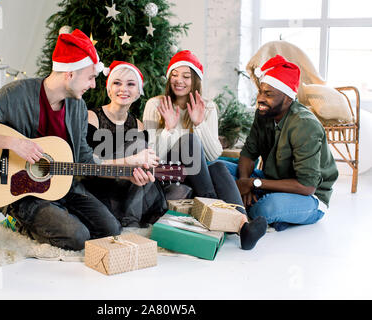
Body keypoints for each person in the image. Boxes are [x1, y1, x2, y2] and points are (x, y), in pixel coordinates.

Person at [0, 29, 158, 251]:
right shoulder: (16, 94)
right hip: (20, 192)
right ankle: (17, 221)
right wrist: (14, 143)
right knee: (77, 237)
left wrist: (127, 173)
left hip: (63, 186)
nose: (94, 85)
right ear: (70, 74)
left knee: (110, 230)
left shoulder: (77, 107)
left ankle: (56, 216)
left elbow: (85, 160)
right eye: (90, 77)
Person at [143, 50, 267, 250]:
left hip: (196, 174)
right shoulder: (155, 104)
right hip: (168, 172)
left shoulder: (208, 107)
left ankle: (245, 228)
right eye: (174, 75)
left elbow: (212, 154)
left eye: (186, 76)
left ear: (195, 80)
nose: (179, 81)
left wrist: (199, 123)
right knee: (189, 141)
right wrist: (169, 129)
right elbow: (151, 152)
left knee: (218, 167)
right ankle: (216, 210)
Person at [222, 55, 338, 231]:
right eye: (260, 92)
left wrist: (254, 184)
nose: (260, 98)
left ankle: (238, 208)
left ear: (288, 98)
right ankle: (246, 207)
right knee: (218, 167)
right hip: (270, 181)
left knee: (268, 208)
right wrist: (245, 181)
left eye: (268, 94)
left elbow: (307, 186)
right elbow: (248, 153)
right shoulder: (264, 113)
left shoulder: (304, 124)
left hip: (309, 197)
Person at [83, 61, 168, 227]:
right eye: (117, 83)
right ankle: (128, 219)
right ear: (109, 89)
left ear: (138, 92)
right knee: (137, 147)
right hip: (97, 184)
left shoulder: (139, 125)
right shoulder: (91, 117)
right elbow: (86, 162)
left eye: (131, 84)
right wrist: (131, 161)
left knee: (145, 159)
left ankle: (131, 221)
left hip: (128, 189)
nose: (123, 89)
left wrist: (143, 169)